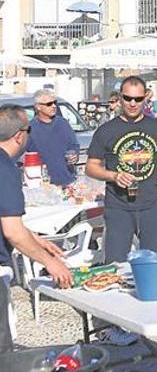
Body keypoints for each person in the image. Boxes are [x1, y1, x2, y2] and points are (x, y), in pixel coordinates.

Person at [86, 76, 157, 345]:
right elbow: (90, 166)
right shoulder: (106, 131)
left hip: (152, 204)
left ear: (146, 98)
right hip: (119, 207)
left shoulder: (155, 127)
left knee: (152, 262)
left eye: (137, 99)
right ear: (119, 98)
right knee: (116, 266)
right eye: (127, 98)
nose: (132, 104)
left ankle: (149, 319)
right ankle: (112, 323)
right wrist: (112, 175)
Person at [0, 105, 73, 353]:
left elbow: (6, 218)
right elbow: (11, 231)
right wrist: (50, 262)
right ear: (20, 135)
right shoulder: (5, 168)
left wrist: (36, 238)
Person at [25, 89, 80, 186]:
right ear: (38, 107)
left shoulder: (63, 123)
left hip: (67, 181)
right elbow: (24, 156)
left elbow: (74, 145)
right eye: (49, 104)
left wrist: (75, 154)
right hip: (44, 185)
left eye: (55, 103)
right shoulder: (30, 129)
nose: (54, 106)